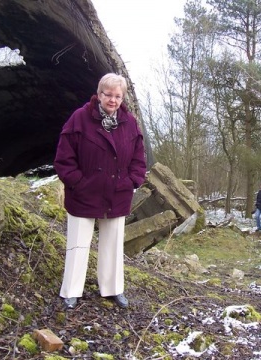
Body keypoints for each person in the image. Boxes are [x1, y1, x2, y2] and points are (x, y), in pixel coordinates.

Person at [54, 73, 147, 309]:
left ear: (122, 97)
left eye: (118, 96)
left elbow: (139, 158)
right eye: (108, 94)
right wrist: (78, 183)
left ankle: (113, 289)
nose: (113, 100)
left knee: (113, 244)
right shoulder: (80, 118)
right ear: (99, 94)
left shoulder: (130, 123)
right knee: (78, 243)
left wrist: (132, 181)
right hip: (84, 193)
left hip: (117, 193)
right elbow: (64, 159)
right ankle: (71, 291)